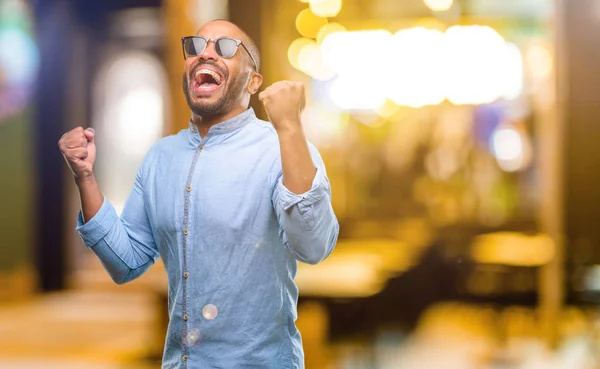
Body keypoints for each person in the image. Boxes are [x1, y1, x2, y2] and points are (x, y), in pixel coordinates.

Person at [58, 19, 339, 368]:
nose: (205, 54)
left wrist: (290, 126)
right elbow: (125, 262)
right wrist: (85, 177)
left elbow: (313, 246)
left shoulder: (282, 148)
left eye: (224, 47)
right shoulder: (161, 157)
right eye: (195, 46)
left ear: (253, 80)